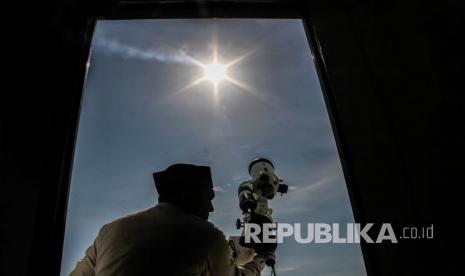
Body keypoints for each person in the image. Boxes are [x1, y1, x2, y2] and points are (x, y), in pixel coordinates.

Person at [70, 163, 266, 275]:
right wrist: (260, 261)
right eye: (208, 199)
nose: (211, 207)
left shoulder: (109, 231)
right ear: (187, 195)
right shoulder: (208, 236)